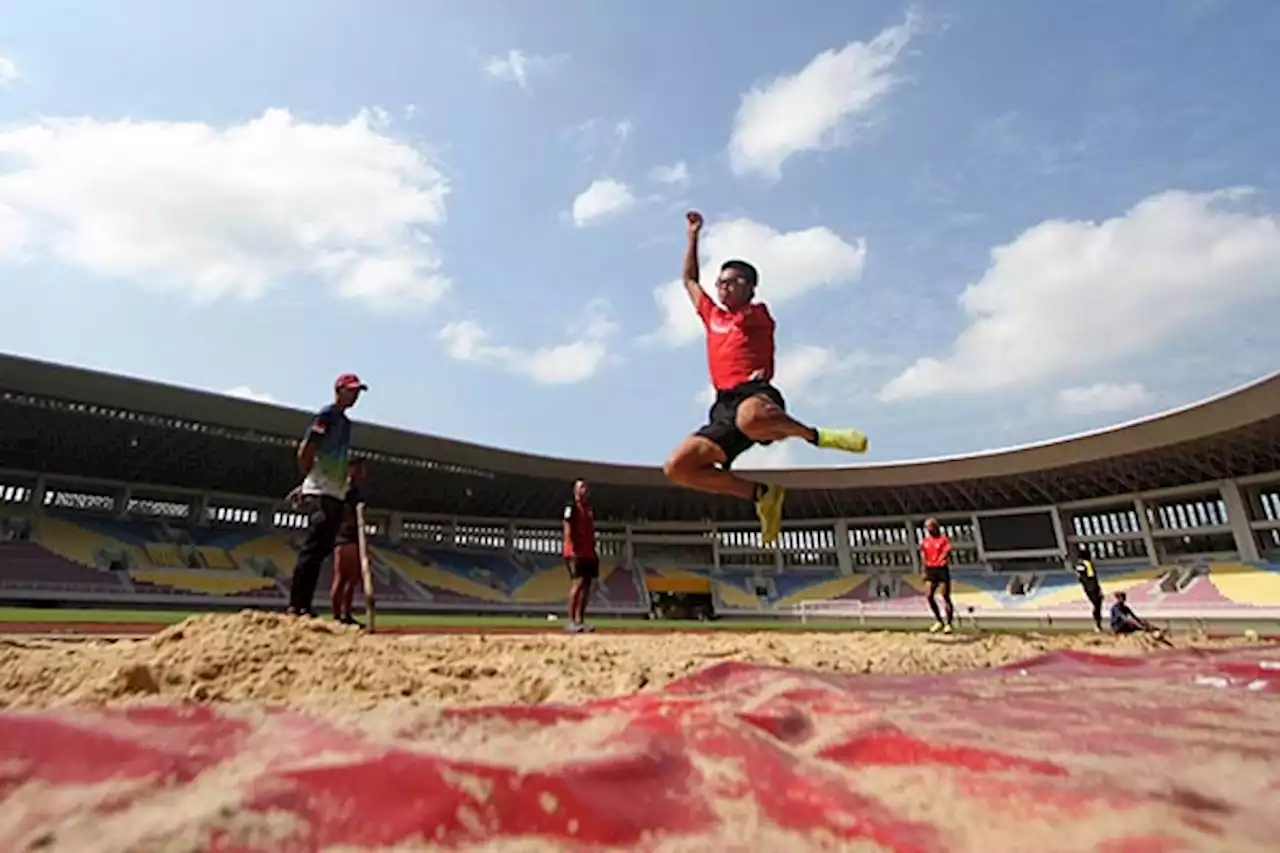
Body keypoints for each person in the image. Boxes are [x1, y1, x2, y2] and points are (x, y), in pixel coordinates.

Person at [661, 210, 869, 546]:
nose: (723, 288)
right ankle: (761, 495)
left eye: (732, 282)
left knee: (752, 416)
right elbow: (689, 281)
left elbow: (750, 325)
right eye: (720, 283)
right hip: (723, 405)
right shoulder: (713, 316)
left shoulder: (757, 315)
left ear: (750, 288)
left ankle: (816, 435)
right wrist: (693, 236)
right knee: (677, 467)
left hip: (756, 394)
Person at [285, 373, 367, 618]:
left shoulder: (345, 424)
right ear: (338, 390)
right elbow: (307, 448)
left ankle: (305, 606)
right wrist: (308, 482)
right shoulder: (327, 415)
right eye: (350, 391)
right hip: (321, 492)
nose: (354, 396)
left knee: (320, 551)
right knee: (312, 550)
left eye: (357, 392)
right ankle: (296, 606)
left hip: (335, 494)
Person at [330, 458, 369, 627]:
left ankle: (342, 615)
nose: (363, 472)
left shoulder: (350, 490)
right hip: (347, 538)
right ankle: (341, 615)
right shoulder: (349, 490)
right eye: (360, 469)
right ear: (352, 470)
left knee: (348, 579)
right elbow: (348, 514)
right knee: (345, 577)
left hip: (346, 538)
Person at [563, 478, 599, 634]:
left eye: (586, 487)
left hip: (589, 552)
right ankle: (570, 621)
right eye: (582, 487)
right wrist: (571, 545)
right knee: (578, 584)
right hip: (576, 551)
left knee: (587, 586)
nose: (585, 490)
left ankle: (580, 620)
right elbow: (567, 526)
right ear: (575, 491)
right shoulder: (571, 507)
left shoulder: (589, 510)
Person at [919, 517, 954, 633]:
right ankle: (939, 621)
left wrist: (940, 560)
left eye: (930, 526)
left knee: (945, 596)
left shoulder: (943, 540)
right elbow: (923, 556)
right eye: (926, 527)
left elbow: (947, 552)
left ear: (935, 527)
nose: (928, 529)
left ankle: (948, 623)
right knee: (929, 595)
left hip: (941, 569)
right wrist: (924, 570)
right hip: (930, 570)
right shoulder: (925, 541)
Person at [1072, 543, 1104, 632]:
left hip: (1086, 587)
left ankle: (1097, 624)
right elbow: (1092, 576)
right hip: (1092, 587)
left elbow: (1079, 576)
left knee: (1096, 605)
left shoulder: (1078, 564)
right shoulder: (1087, 563)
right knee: (1097, 604)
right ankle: (1097, 624)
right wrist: (1097, 588)